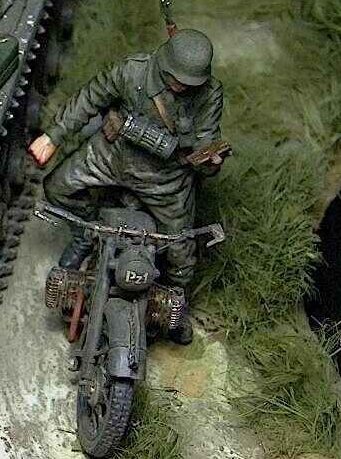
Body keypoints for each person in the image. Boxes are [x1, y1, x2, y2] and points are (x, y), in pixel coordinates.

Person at [28, 29, 227, 344]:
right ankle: (85, 235)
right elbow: (90, 98)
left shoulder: (209, 94)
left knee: (181, 255)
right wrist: (53, 136)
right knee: (58, 188)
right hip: (111, 157)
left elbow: (205, 139)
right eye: (178, 79)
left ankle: (175, 307)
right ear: (164, 65)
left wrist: (210, 160)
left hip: (165, 179)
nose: (184, 87)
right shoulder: (132, 71)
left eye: (191, 83)